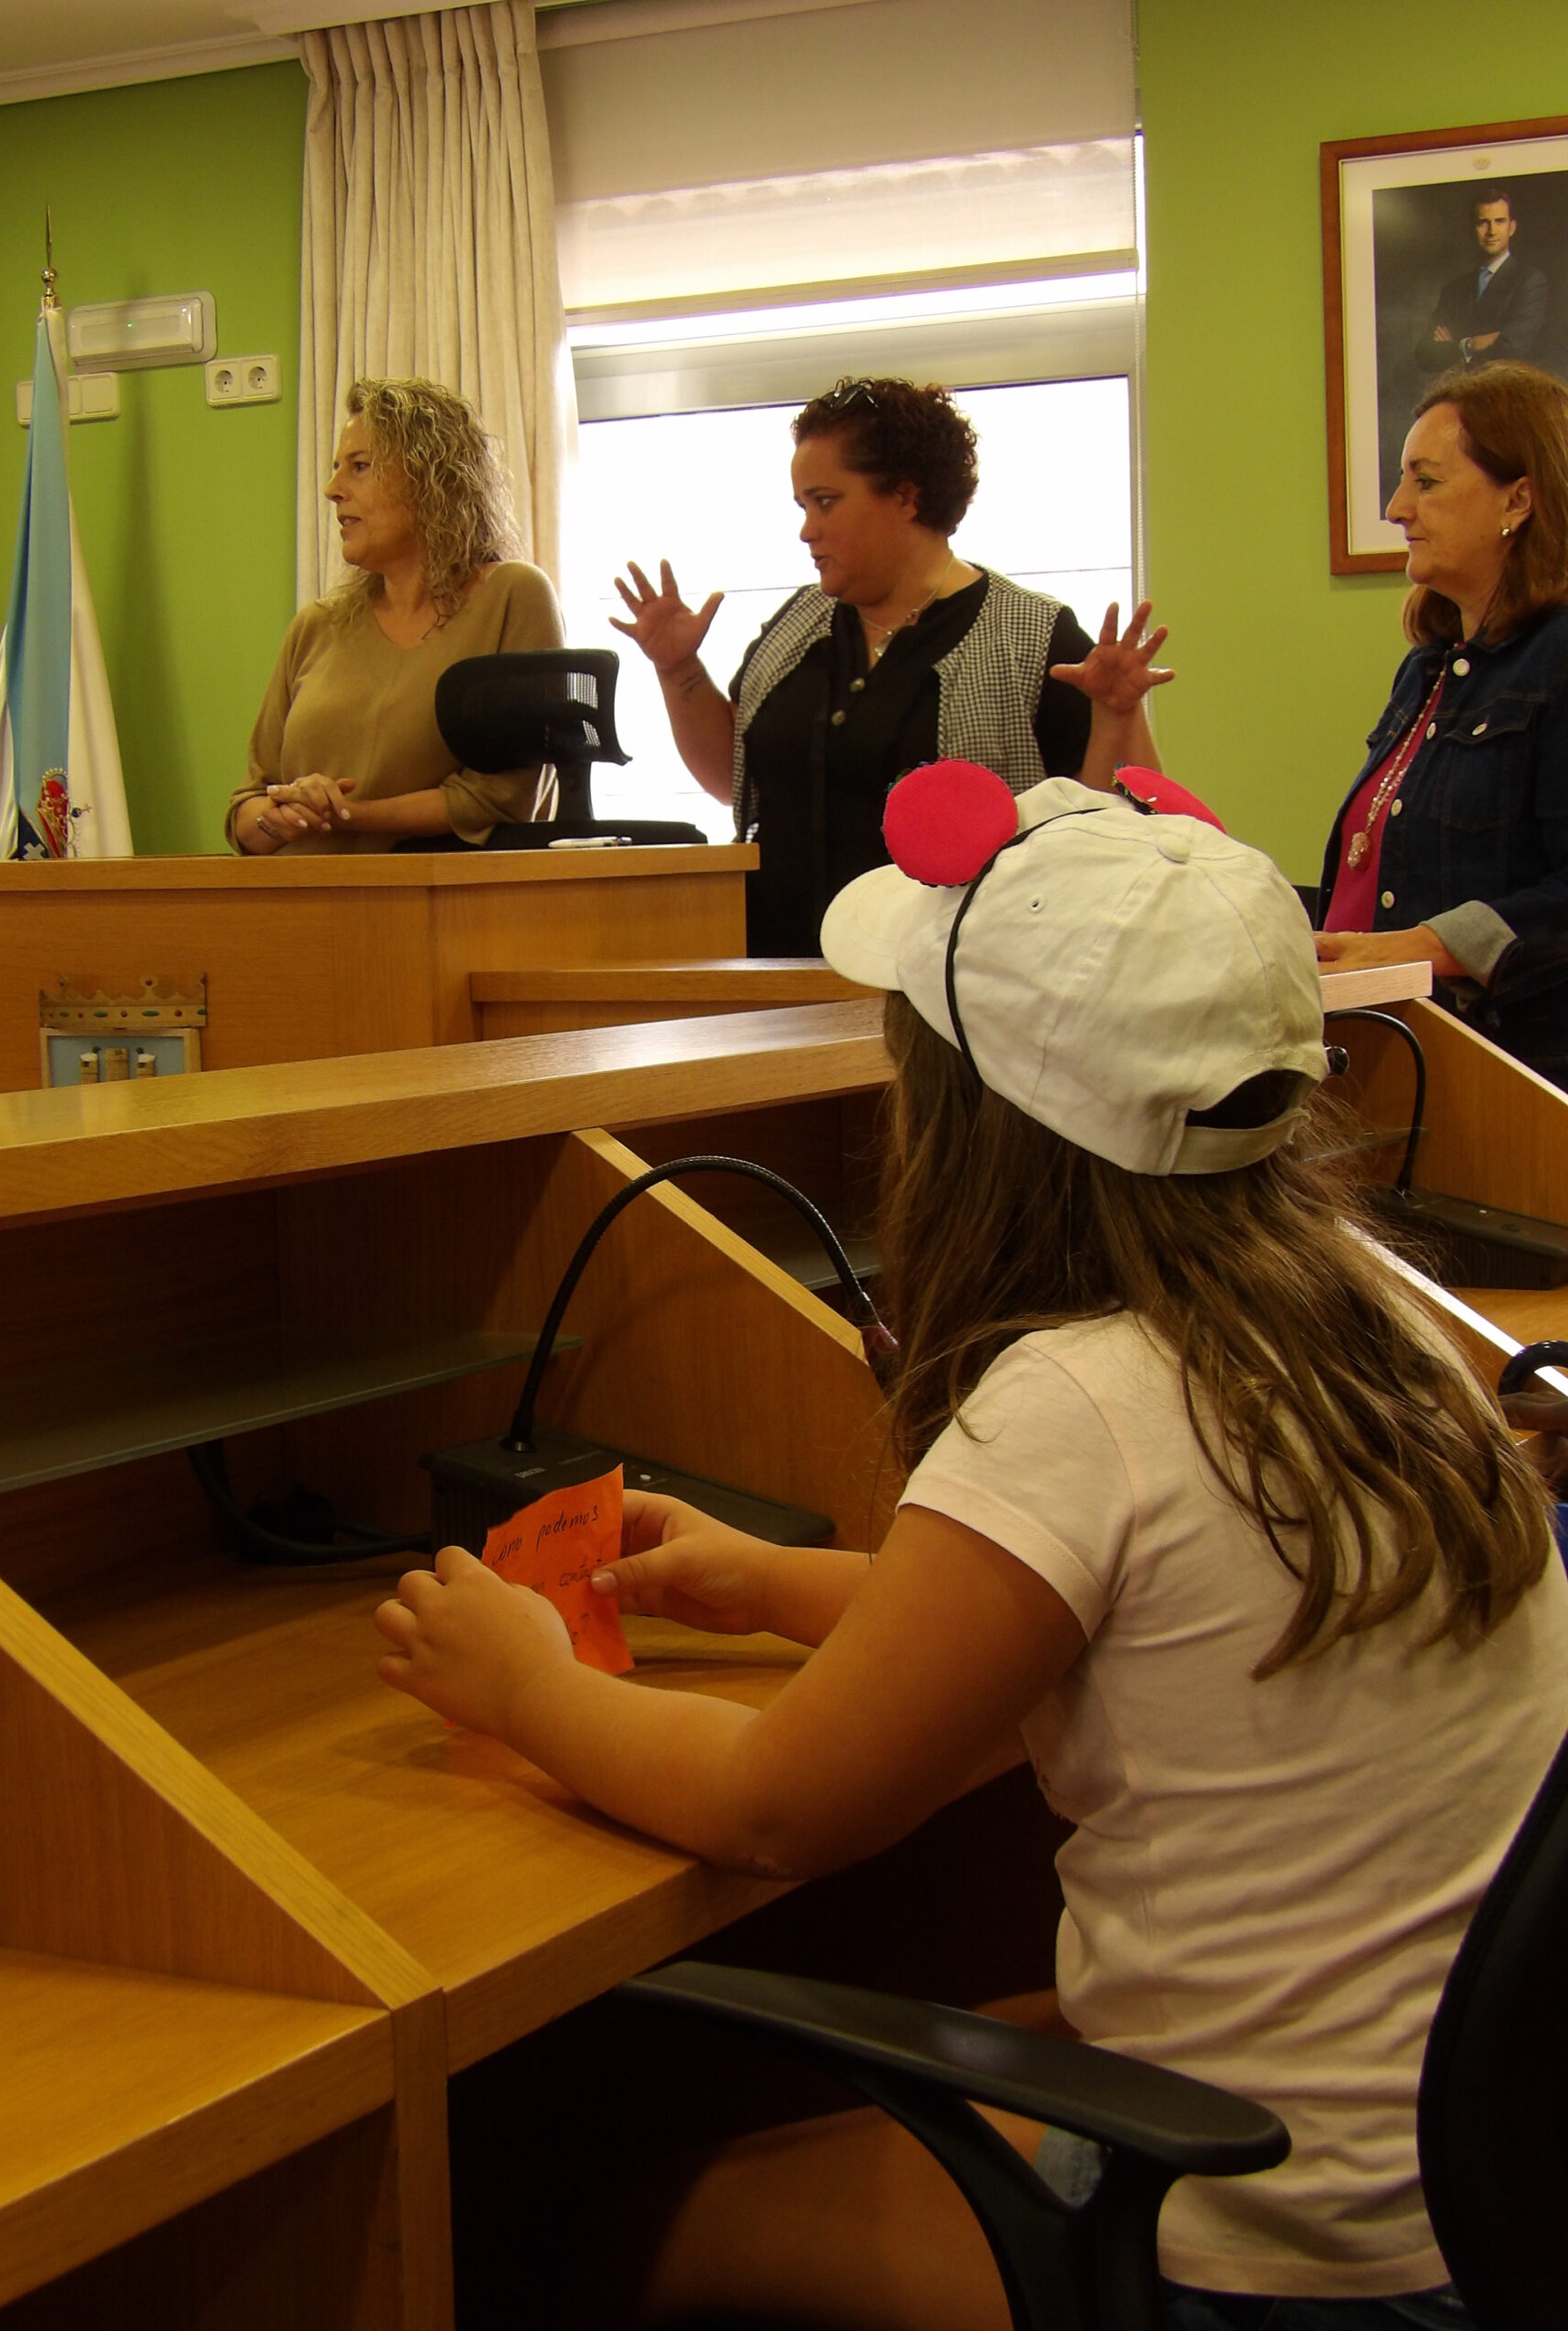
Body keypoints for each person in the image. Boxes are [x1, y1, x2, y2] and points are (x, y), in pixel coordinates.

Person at [374, 762, 1568, 2331]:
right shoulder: (1373, 1332)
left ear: (971, 1124)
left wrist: (525, 1685)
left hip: (1281, 2254)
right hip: (1481, 2194)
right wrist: (765, 1582)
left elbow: (773, 1807)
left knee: (612, 2227)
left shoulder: (1083, 1398)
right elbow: (1117, 1616)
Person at [611, 376, 1172, 952]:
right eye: (803, 506)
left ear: (906, 497)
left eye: (825, 502)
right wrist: (678, 670)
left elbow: (1117, 830)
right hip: (778, 978)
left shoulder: (1030, 636)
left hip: (954, 987)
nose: (807, 530)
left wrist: (1118, 714)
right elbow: (732, 780)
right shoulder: (795, 627)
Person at [1316, 361, 1568, 1088]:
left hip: (1513, 1084)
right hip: (1390, 1061)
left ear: (1518, 499)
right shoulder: (1426, 670)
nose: (1397, 508)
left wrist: (1427, 946)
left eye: (1425, 482)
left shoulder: (1557, 658)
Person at [228, 377, 563, 854]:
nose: (332, 489)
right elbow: (248, 807)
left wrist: (344, 814)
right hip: (298, 896)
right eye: (336, 468)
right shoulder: (315, 626)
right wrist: (284, 815)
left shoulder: (513, 595)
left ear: (431, 478)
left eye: (360, 466)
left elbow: (503, 798)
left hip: (438, 897)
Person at [1414, 190, 1546, 376]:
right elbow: (1425, 355)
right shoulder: (1454, 290)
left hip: (1506, 390)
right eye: (1483, 222)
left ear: (1512, 227)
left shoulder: (1529, 281)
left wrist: (1454, 345)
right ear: (1472, 229)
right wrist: (1470, 344)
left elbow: (1513, 349)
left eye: (1500, 221)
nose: (1492, 231)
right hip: (1461, 391)